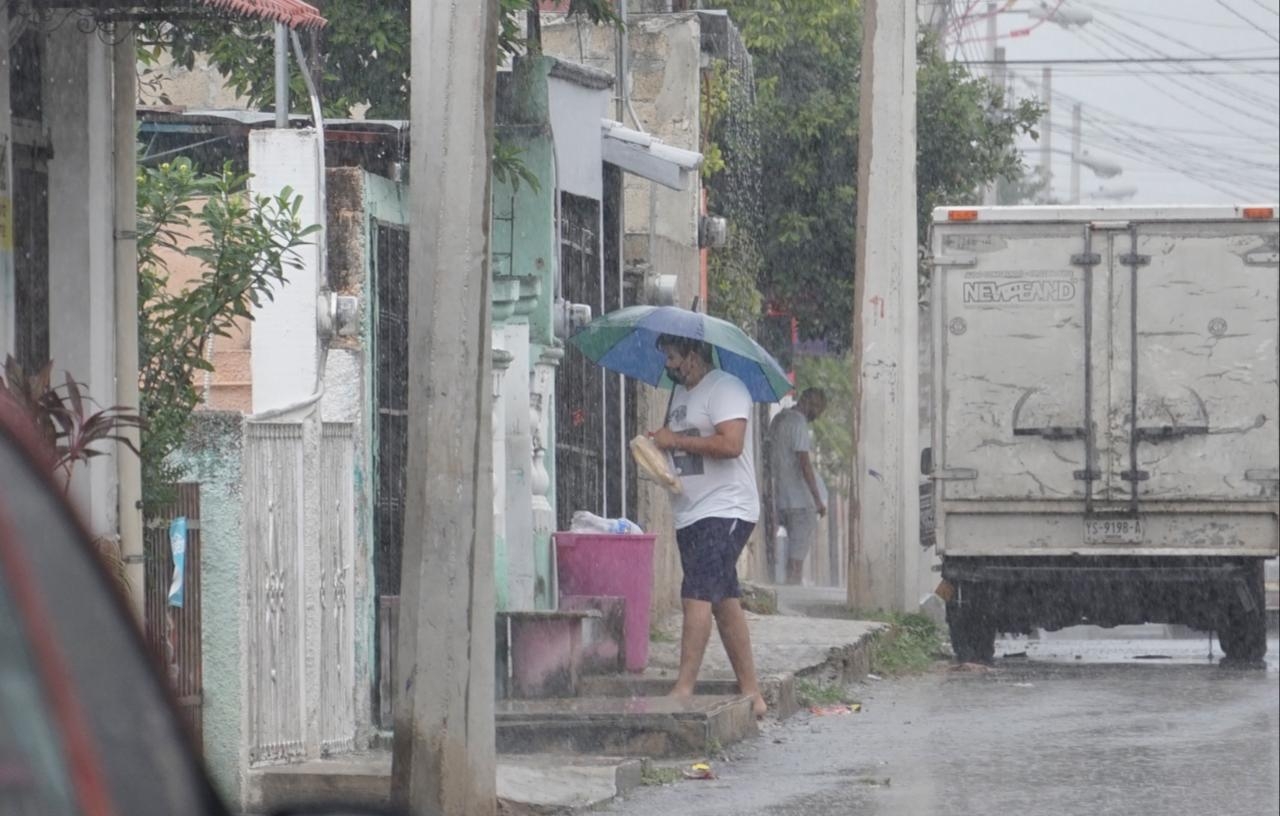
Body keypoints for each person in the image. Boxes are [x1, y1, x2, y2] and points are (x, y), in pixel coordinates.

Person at [649, 334, 767, 718]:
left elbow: (731, 444)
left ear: (694, 354)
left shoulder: (726, 389)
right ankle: (753, 694)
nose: (669, 366)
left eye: (673, 357)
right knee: (722, 599)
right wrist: (660, 447)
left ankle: (683, 689)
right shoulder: (680, 396)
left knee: (696, 593)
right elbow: (683, 445)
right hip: (691, 512)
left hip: (726, 509)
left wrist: (677, 438)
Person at [767, 388, 827, 585]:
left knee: (784, 556)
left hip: (780, 498)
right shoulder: (799, 423)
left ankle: (784, 593)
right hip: (801, 502)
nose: (818, 416)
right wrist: (817, 500)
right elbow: (804, 463)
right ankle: (793, 591)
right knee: (796, 562)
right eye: (818, 408)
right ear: (809, 402)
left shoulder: (779, 419)